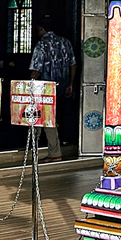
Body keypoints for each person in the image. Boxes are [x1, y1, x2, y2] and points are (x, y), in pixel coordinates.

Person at [29, 17, 76, 160]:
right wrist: (71, 83)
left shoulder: (41, 45)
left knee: (42, 118)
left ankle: (51, 152)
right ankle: (51, 148)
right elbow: (73, 64)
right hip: (61, 86)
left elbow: (36, 70)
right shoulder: (65, 42)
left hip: (44, 88)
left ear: (42, 29)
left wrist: (29, 85)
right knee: (51, 116)